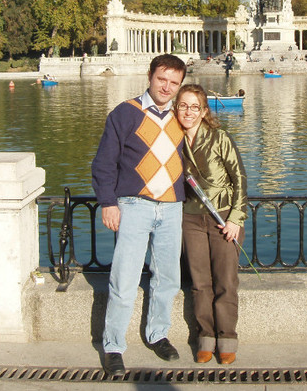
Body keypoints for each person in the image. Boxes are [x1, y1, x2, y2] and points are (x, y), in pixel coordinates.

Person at [91, 54, 187, 376]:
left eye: (174, 83)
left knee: (168, 278)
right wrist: (108, 202)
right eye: (163, 79)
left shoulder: (181, 116)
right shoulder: (125, 113)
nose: (167, 87)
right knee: (125, 278)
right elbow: (104, 163)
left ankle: (158, 334)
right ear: (150, 75)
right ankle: (114, 344)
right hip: (134, 204)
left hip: (172, 206)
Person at [174, 84, 248, 365]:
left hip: (222, 217)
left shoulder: (219, 138)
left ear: (204, 111)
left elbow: (239, 178)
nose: (189, 112)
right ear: (176, 108)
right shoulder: (174, 140)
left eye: (195, 107)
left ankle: (227, 337)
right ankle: (205, 337)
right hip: (190, 217)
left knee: (226, 281)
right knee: (200, 282)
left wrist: (235, 218)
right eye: (183, 106)